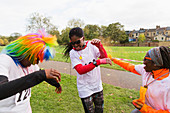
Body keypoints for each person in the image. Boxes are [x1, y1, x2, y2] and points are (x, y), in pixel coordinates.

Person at [0, 30, 62, 113]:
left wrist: (56, 83)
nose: (36, 62)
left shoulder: (31, 65)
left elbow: (42, 74)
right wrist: (38, 76)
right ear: (26, 51)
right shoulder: (5, 60)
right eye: (35, 58)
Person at [64, 27, 112, 113]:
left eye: (78, 42)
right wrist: (97, 62)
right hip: (84, 88)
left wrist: (99, 46)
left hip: (97, 85)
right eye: (73, 43)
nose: (75, 45)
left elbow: (104, 57)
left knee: (99, 110)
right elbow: (80, 70)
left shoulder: (91, 45)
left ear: (83, 38)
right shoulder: (73, 53)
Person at [109, 46, 170, 113]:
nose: (143, 62)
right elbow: (129, 66)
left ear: (156, 64)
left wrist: (145, 109)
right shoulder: (147, 71)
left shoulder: (167, 84)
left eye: (146, 59)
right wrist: (113, 59)